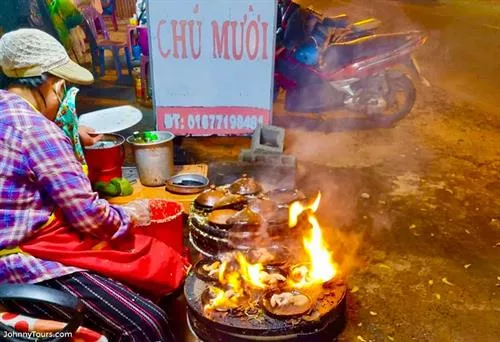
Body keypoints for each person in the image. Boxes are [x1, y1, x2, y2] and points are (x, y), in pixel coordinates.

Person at [0, 29, 176, 341]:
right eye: (61, 86)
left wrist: (69, 130)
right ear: (49, 82)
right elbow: (90, 217)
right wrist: (130, 216)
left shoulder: (9, 111)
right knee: (147, 322)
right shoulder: (37, 132)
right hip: (19, 267)